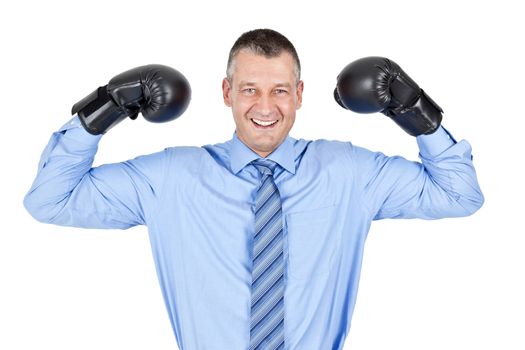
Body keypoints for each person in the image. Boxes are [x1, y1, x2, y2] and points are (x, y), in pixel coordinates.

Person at [24, 28, 484, 350]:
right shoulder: (171, 177)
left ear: (300, 94)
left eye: (280, 90)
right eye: (249, 90)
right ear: (227, 93)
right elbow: (50, 200)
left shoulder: (348, 171)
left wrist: (412, 108)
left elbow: (459, 194)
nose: (265, 107)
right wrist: (105, 106)